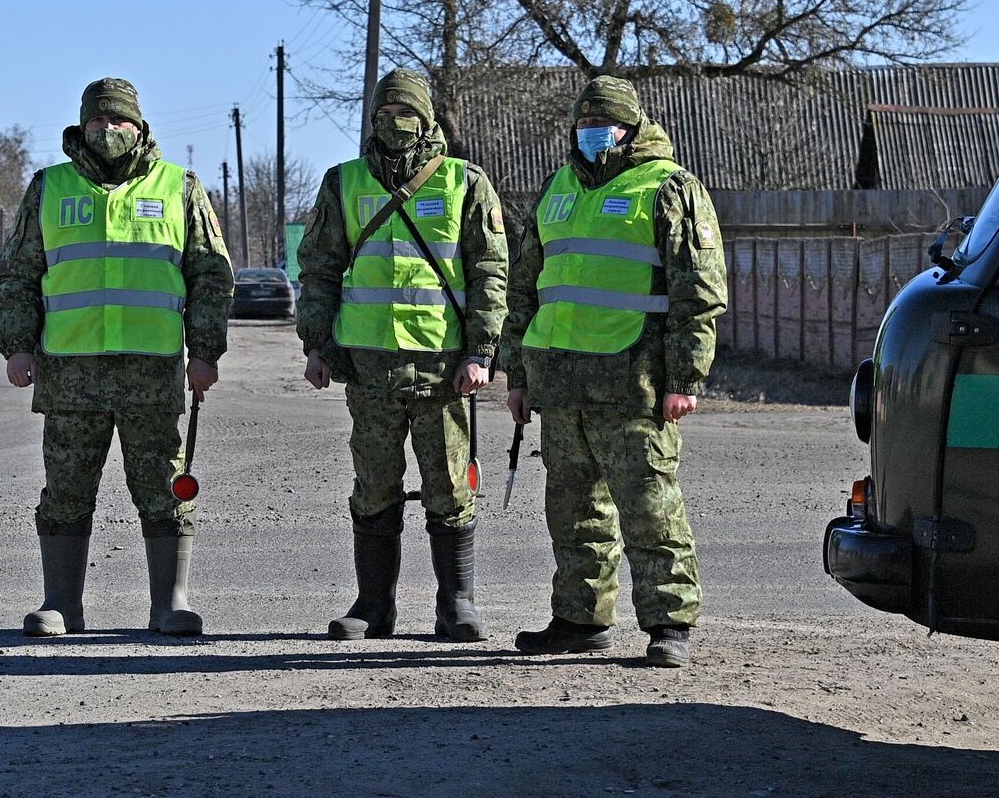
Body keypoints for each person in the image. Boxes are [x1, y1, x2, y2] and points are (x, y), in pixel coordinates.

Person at [0, 77, 234, 637]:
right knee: (67, 486)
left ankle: (170, 604)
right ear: (81, 127)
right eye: (97, 121)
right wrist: (17, 345)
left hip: (151, 371)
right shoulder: (49, 187)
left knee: (162, 482)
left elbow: (210, 277)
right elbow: (18, 275)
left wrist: (205, 352)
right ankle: (61, 605)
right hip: (70, 371)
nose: (108, 130)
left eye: (118, 121)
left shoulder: (181, 187)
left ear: (140, 127)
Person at [505, 75, 726, 668]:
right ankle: (580, 619)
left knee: (651, 508)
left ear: (631, 127)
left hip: (636, 384)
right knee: (572, 514)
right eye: (581, 124)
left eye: (601, 123)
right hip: (560, 386)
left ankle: (669, 624)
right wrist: (517, 375)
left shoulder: (669, 187)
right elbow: (524, 289)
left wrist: (686, 378)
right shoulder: (556, 189)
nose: (590, 133)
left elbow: (699, 293)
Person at [296, 68, 508, 641]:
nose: (395, 124)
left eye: (406, 113)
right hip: (369, 364)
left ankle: (456, 605)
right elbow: (318, 269)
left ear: (428, 118)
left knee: (449, 484)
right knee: (374, 482)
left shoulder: (465, 182)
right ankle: (373, 605)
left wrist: (482, 350)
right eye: (385, 114)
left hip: (445, 365)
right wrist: (316, 344)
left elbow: (490, 273)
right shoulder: (342, 183)